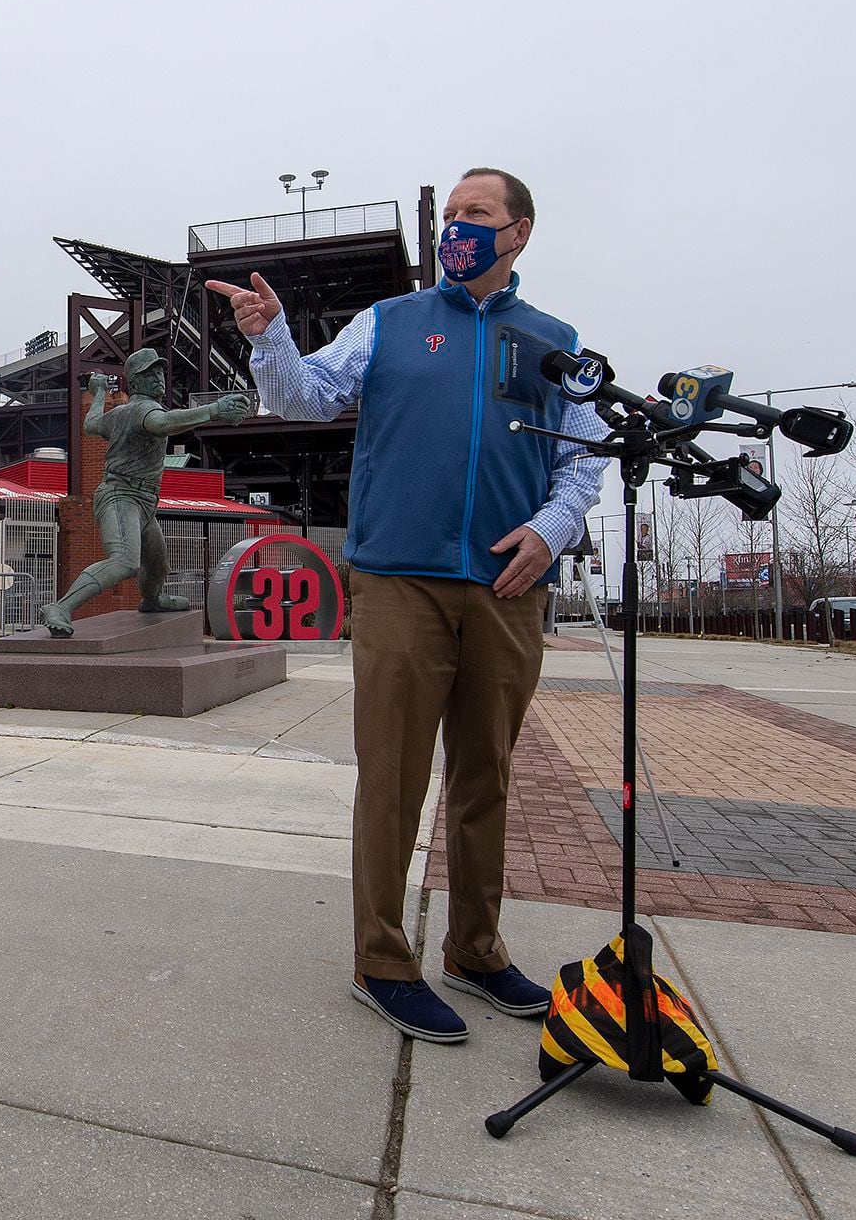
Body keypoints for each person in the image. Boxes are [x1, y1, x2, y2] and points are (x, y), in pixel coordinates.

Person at [209, 168, 607, 1045]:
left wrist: (550, 532)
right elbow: (303, 395)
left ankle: (475, 948)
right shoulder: (388, 323)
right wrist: (270, 338)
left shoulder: (554, 343)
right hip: (398, 582)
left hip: (507, 588)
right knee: (392, 778)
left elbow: (584, 457)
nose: (458, 227)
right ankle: (383, 961)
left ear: (520, 232)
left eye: (478, 215)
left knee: (486, 776)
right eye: (453, 214)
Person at [37, 349, 254, 635]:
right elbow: (162, 424)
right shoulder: (143, 409)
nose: (158, 378)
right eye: (149, 374)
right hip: (121, 495)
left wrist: (99, 392)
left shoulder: (119, 413)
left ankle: (152, 600)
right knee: (125, 560)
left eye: (159, 372)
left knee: (157, 565)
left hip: (143, 501)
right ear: (135, 384)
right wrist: (214, 410)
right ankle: (61, 607)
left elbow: (90, 425)